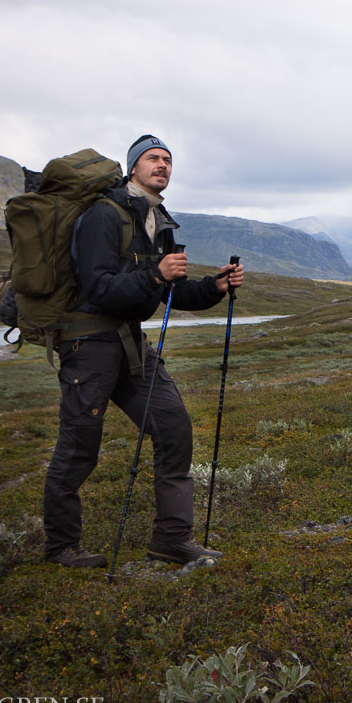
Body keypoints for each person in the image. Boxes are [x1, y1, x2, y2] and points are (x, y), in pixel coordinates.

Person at [43, 134, 244, 569]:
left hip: (130, 344)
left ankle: (172, 539)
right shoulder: (103, 215)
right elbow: (98, 288)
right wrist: (154, 275)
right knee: (79, 445)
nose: (162, 165)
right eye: (153, 158)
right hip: (88, 344)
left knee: (173, 426)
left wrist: (215, 286)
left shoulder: (159, 222)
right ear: (133, 167)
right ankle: (61, 547)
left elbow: (174, 293)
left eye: (168, 160)